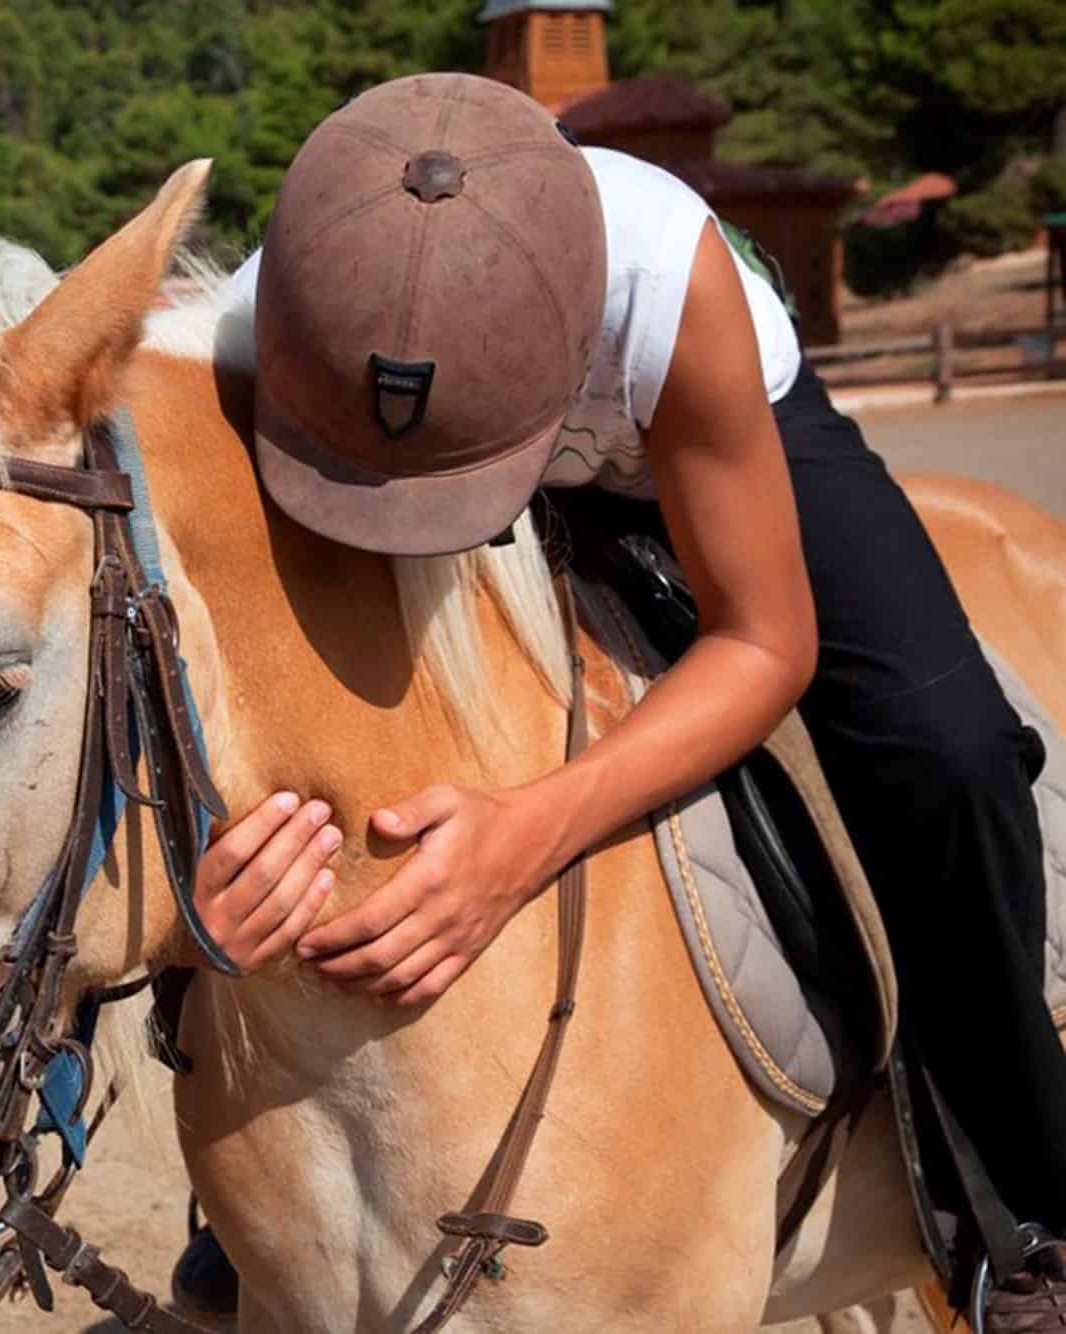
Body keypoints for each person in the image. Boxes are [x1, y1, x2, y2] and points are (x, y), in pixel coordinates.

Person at [172, 72, 1066, 1324]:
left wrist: (526, 831)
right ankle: (241, 1199)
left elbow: (762, 642)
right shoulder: (268, 312)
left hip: (681, 433)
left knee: (949, 747)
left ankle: (1023, 1207)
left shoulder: (666, 280)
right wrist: (193, 893)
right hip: (405, 462)